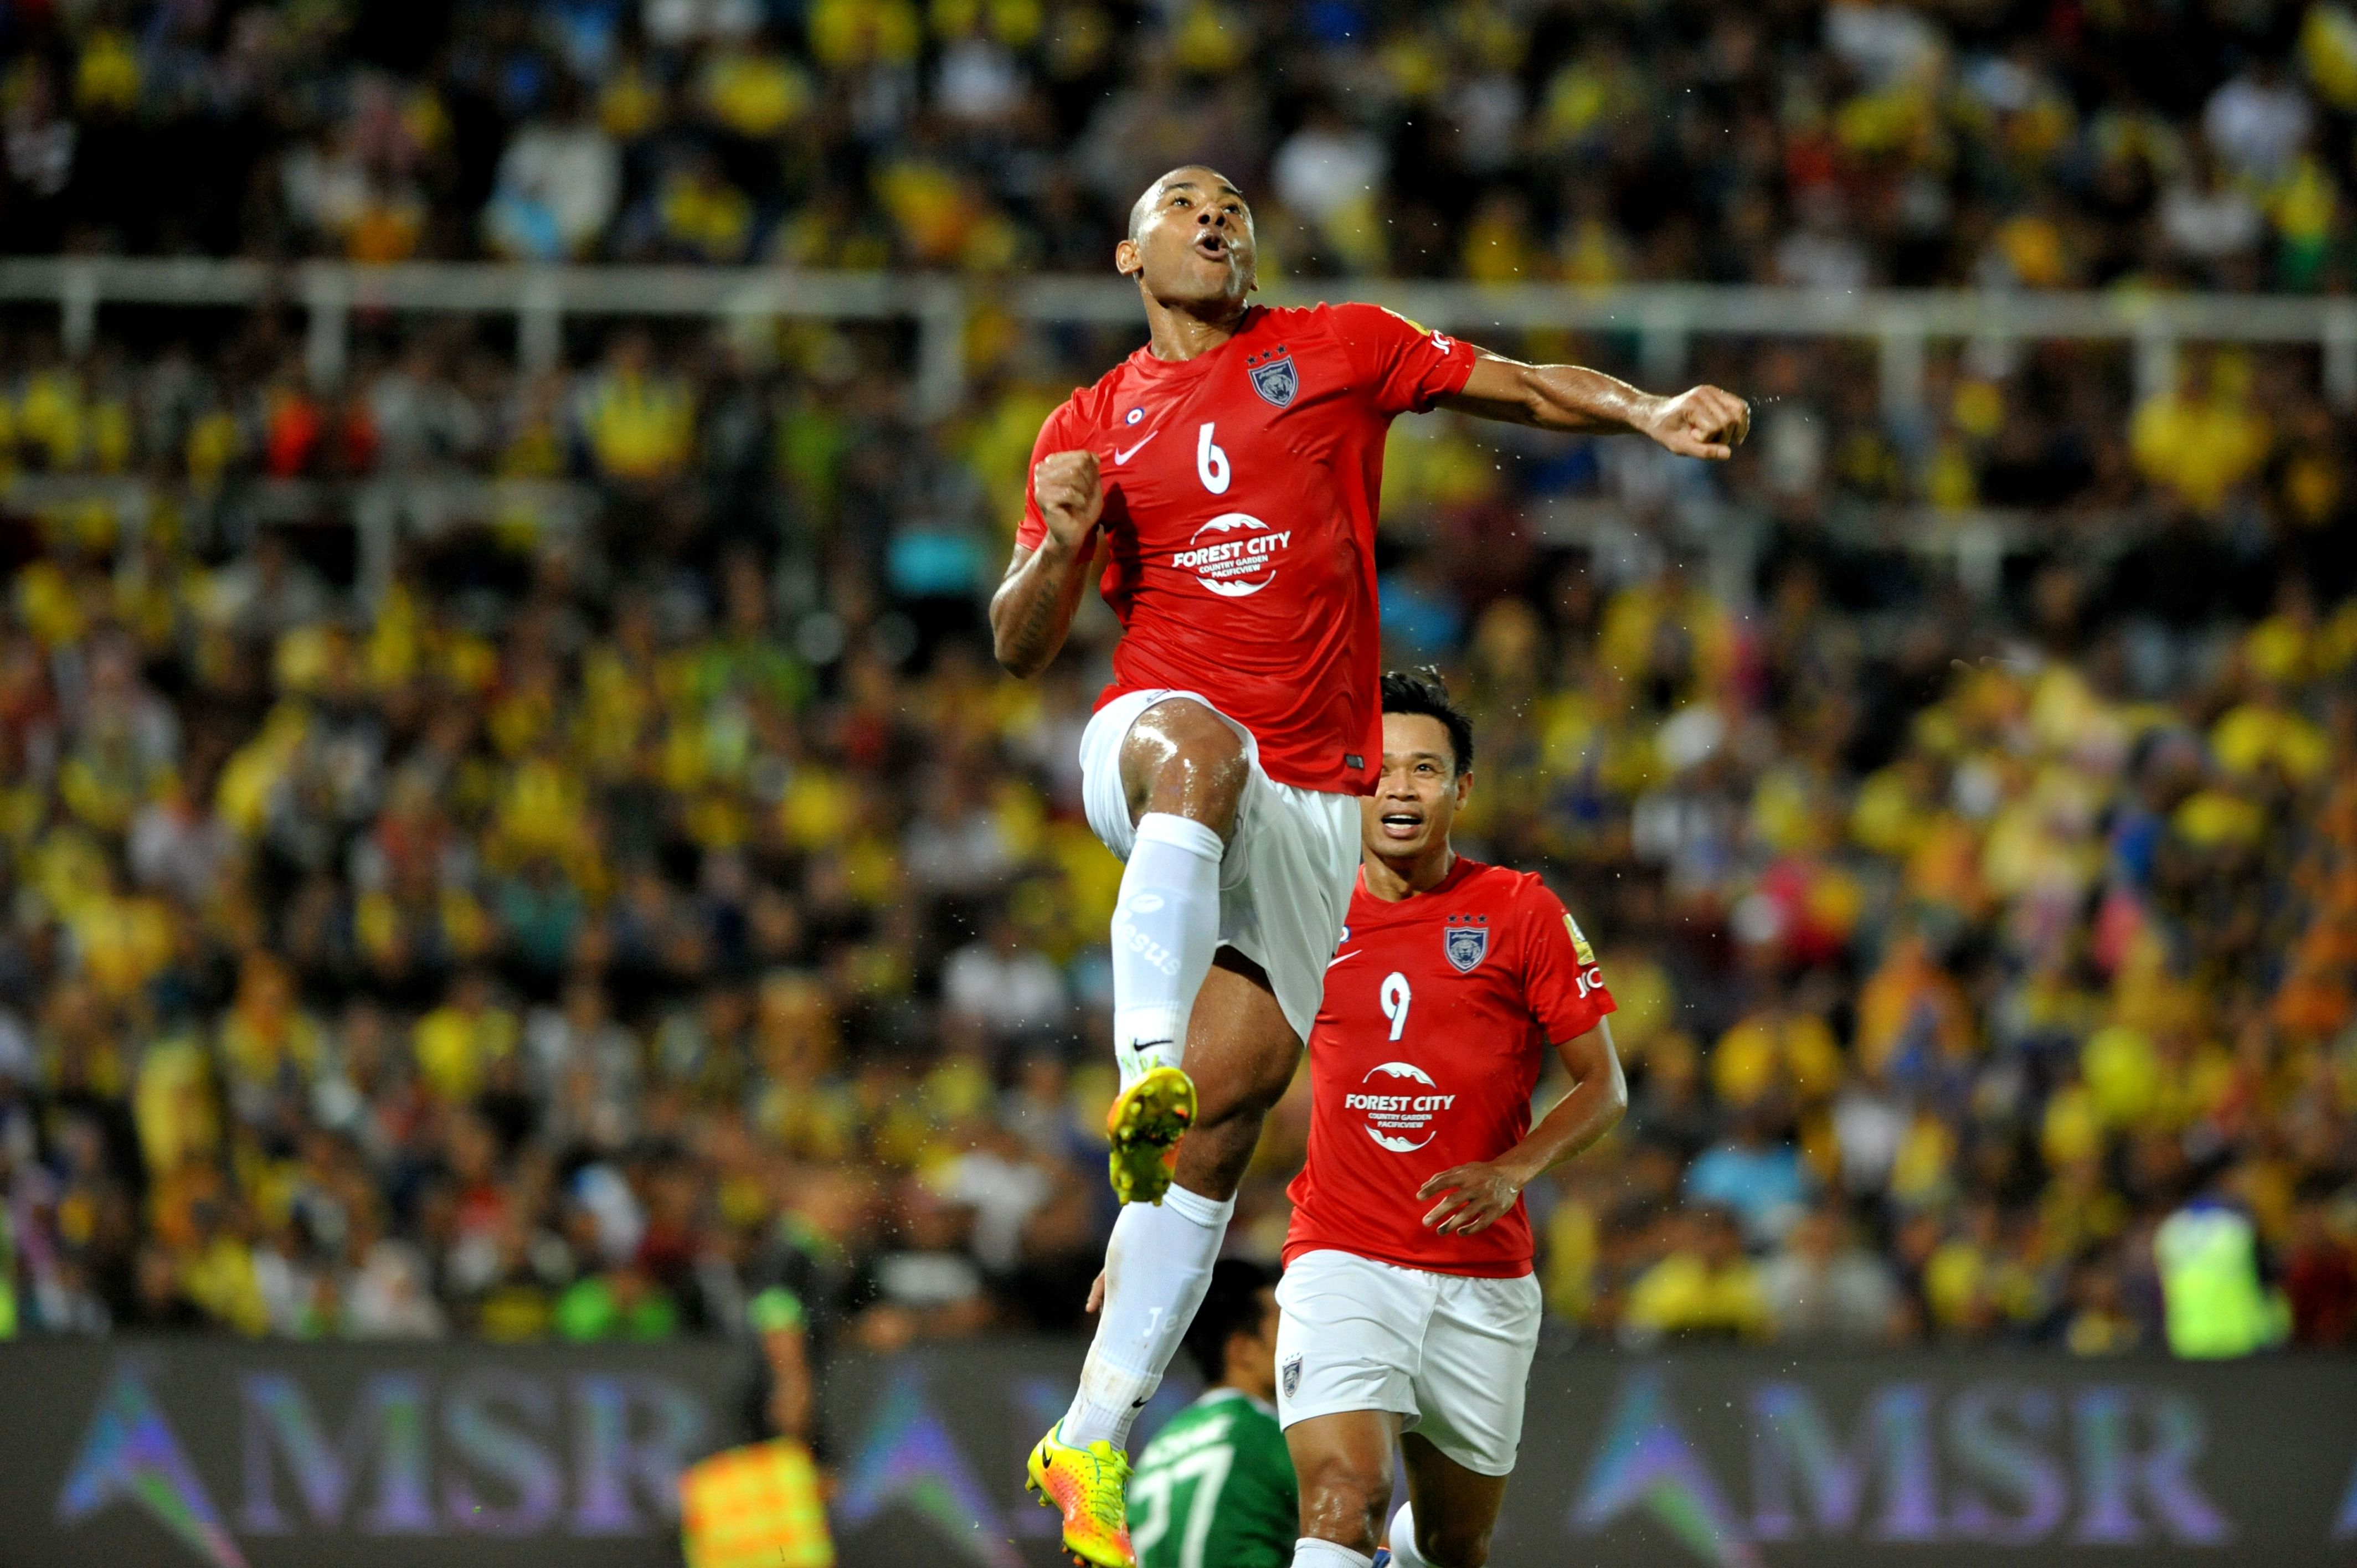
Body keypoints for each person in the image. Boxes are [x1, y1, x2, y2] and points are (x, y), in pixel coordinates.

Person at [995, 164, 1744, 1567]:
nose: (1215, 219)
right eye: (1183, 204)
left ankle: (1089, 1433)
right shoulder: (1087, 423)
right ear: (1128, 255)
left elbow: (1519, 383)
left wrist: (1646, 410)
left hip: (1314, 803)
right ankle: (1143, 1060)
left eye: (1232, 206)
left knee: (1227, 1120)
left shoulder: (1338, 346)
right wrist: (1065, 541)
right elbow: (1020, 640)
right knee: (1200, 757)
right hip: (1156, 737)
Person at [1278, 674, 1627, 1568]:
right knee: (1344, 1499)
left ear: (1461, 789)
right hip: (1343, 1257)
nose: (1400, 787)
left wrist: (1512, 1169)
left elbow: (1603, 1086)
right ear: (1350, 783)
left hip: (1482, 1275)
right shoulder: (1303, 905)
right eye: (1381, 768)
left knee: (1452, 1542)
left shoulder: (1521, 909)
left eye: (1425, 769)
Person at [1127, 1260, 1298, 1568]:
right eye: (1285, 1326)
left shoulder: (1157, 1450)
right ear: (1243, 1350)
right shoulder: (1265, 1434)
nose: (1300, 1341)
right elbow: (1353, 1527)